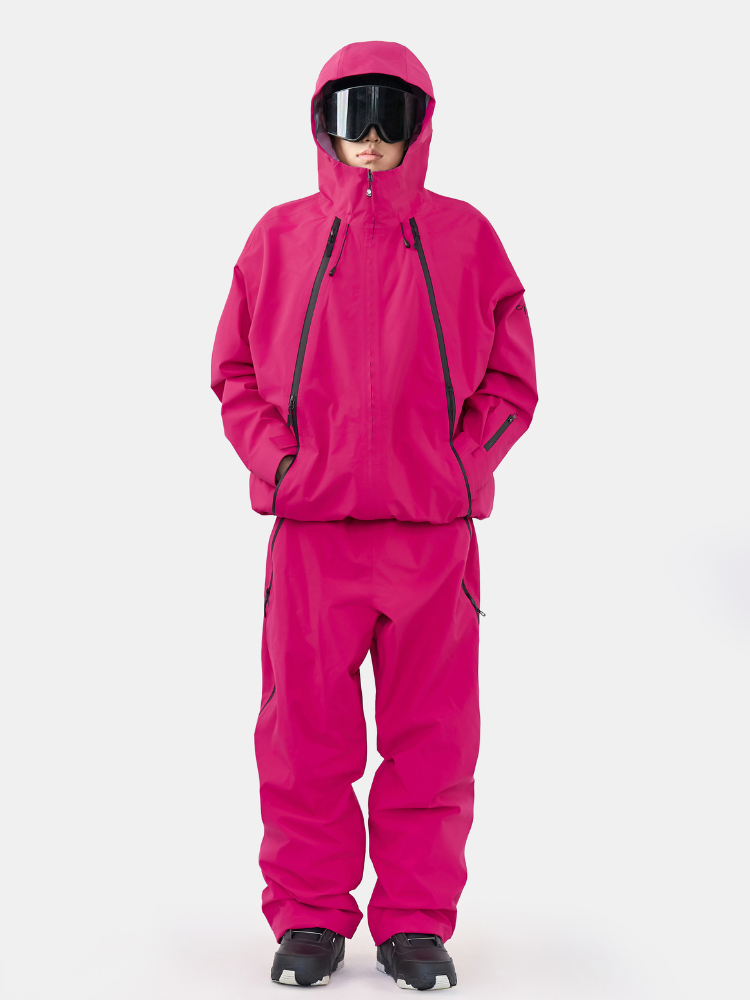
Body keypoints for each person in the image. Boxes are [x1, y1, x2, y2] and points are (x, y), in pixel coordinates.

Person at [210, 40, 537, 991]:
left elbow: (512, 379)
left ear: (421, 126)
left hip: (432, 545)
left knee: (434, 737)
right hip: (313, 544)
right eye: (352, 113)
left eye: (392, 115)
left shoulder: (466, 239)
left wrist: (458, 467)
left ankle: (415, 925)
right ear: (322, 123)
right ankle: (310, 917)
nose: (371, 136)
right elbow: (234, 373)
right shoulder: (278, 239)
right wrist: (284, 466)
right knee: (302, 737)